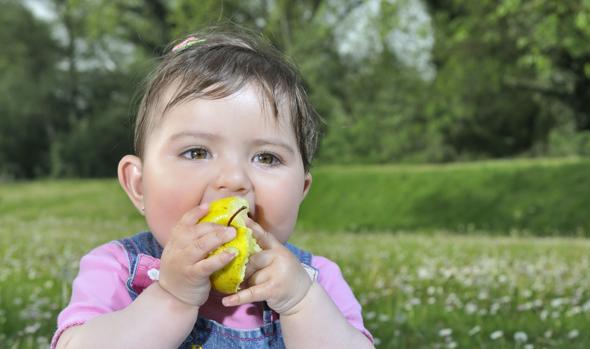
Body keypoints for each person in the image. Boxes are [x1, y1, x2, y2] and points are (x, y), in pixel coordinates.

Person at [51, 27, 374, 349]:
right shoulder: (118, 270)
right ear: (138, 184)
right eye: (196, 152)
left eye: (266, 157)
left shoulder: (318, 281)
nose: (234, 180)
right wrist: (170, 298)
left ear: (301, 191)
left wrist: (301, 303)